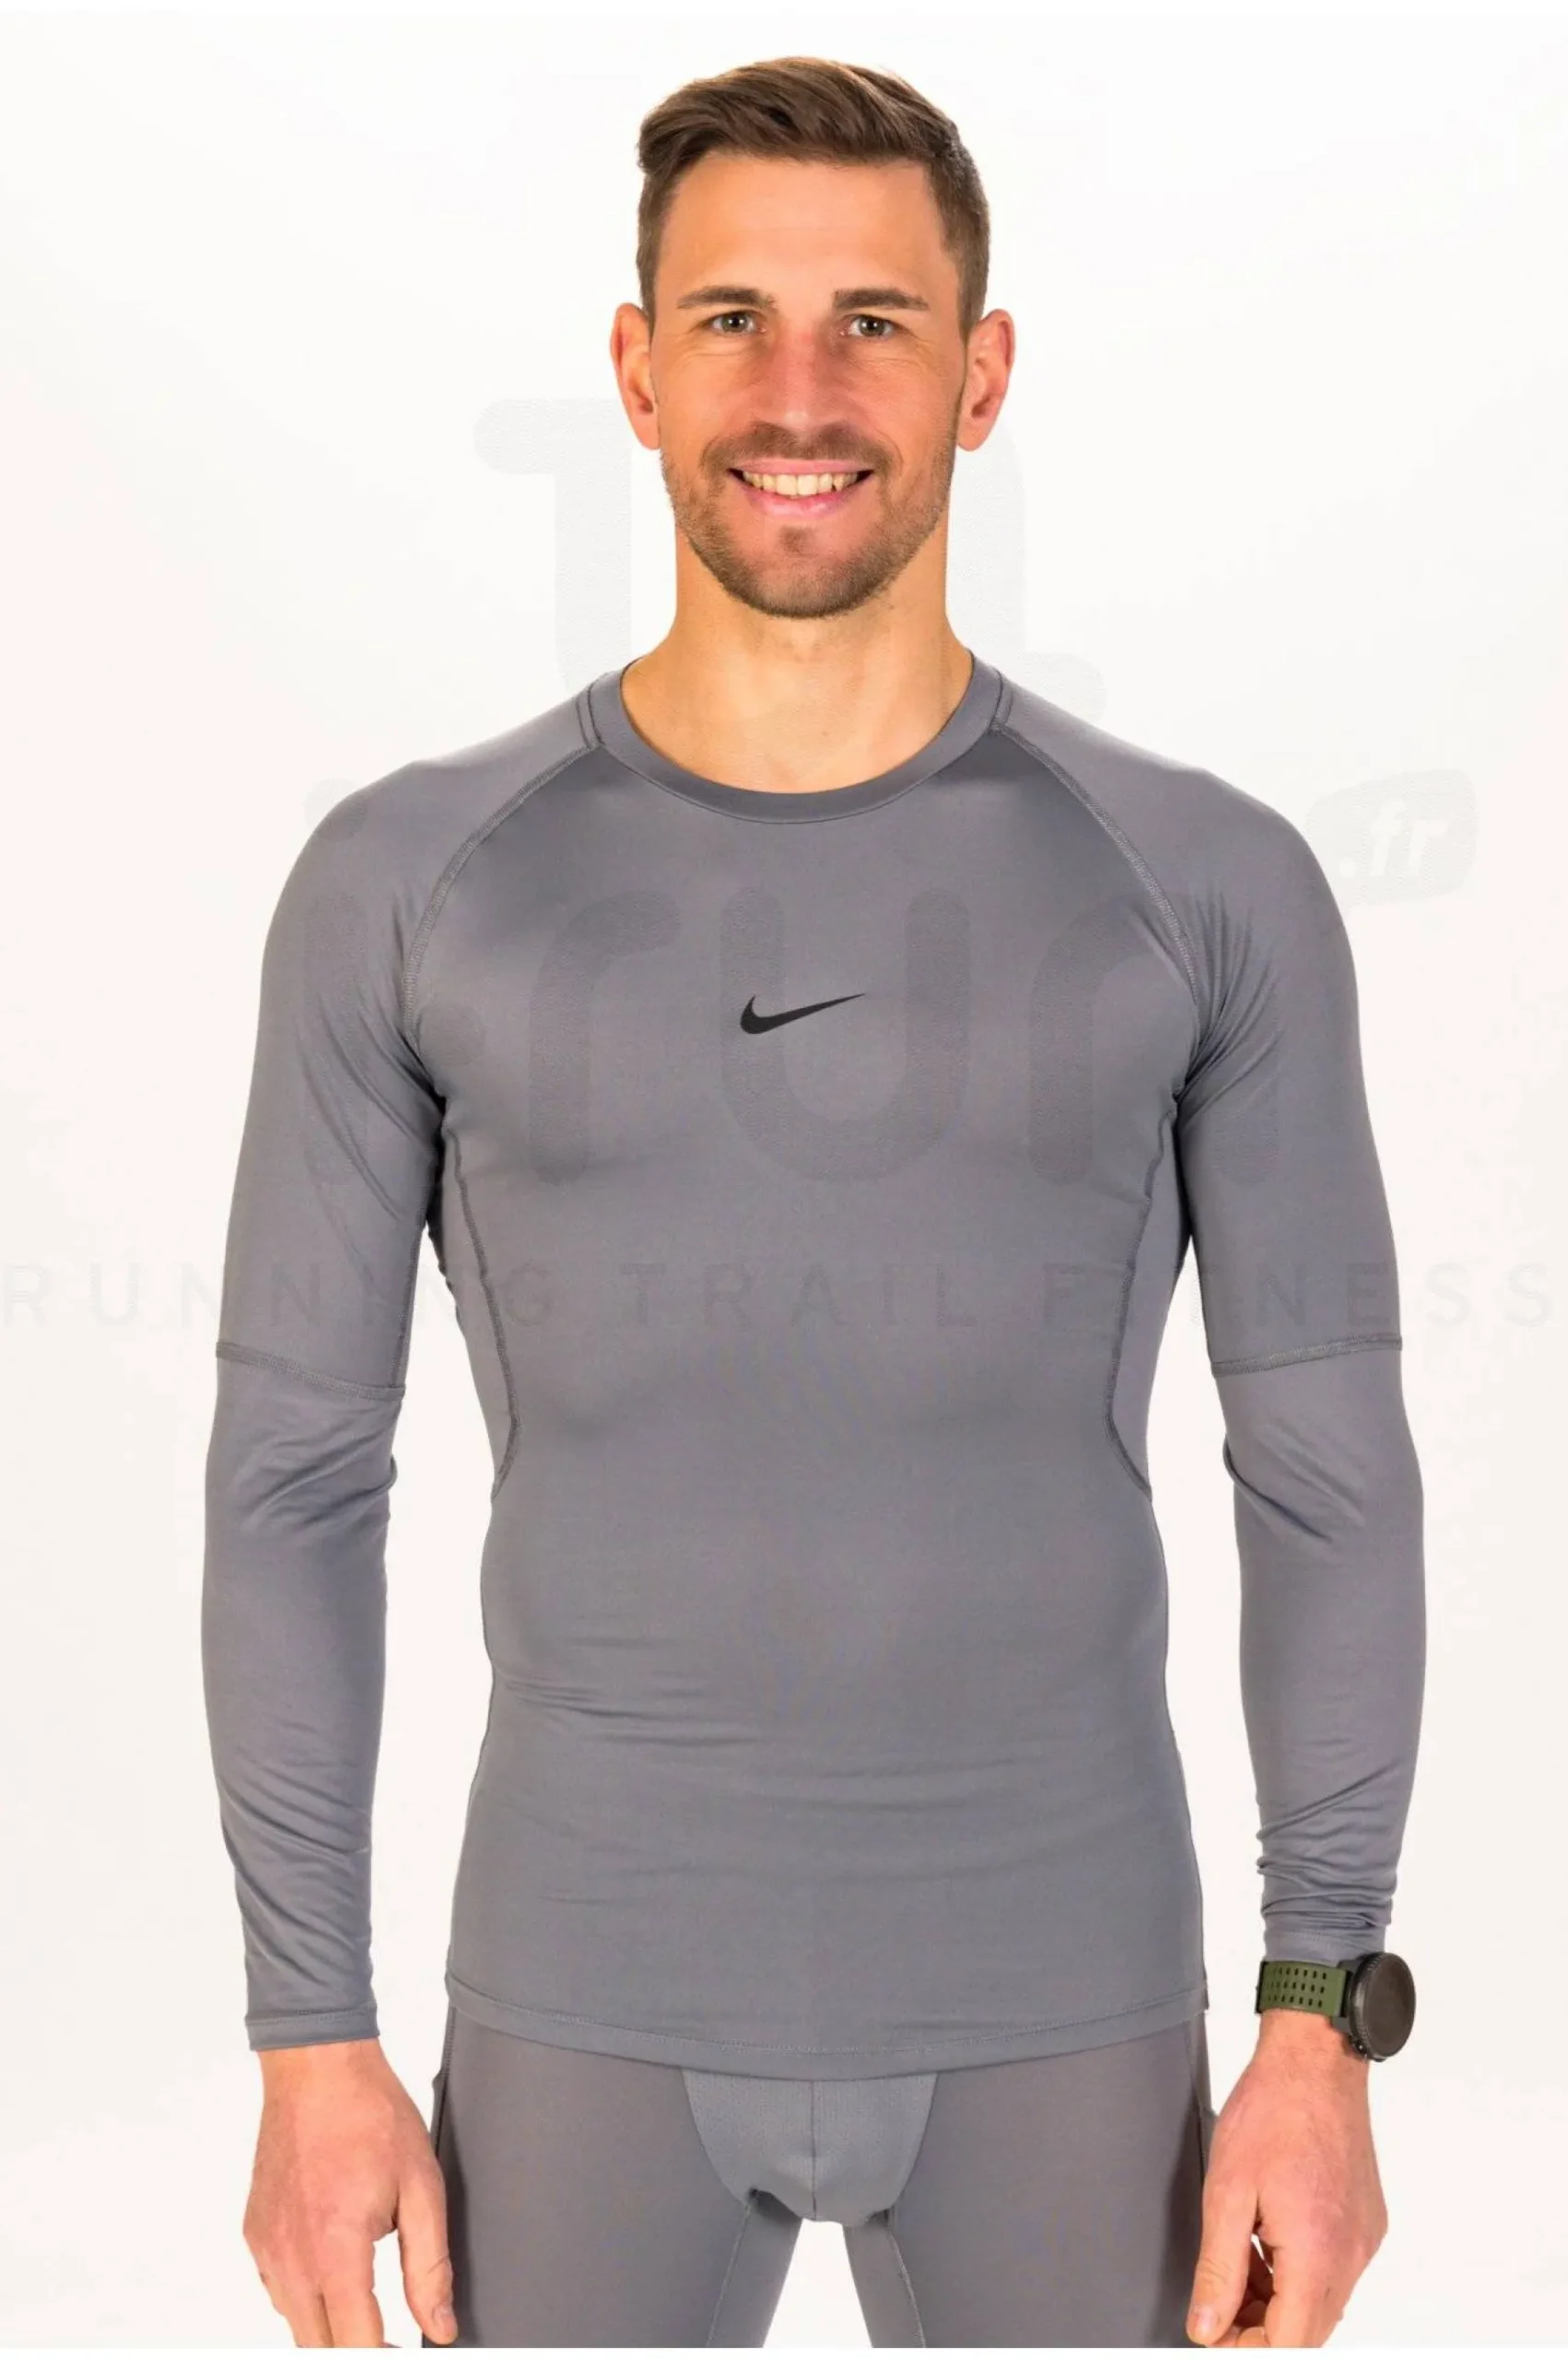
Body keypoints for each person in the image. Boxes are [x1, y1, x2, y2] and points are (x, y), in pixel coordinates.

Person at [202, 54, 1425, 2350]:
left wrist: (1313, 2019)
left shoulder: (1199, 881)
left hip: (1061, 2000)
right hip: (580, 1993)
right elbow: (292, 1476)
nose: (797, 391)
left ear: (980, 373)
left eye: (871, 321)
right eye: (730, 319)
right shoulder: (410, 882)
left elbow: (1325, 1472)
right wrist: (306, 2032)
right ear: (633, 368)